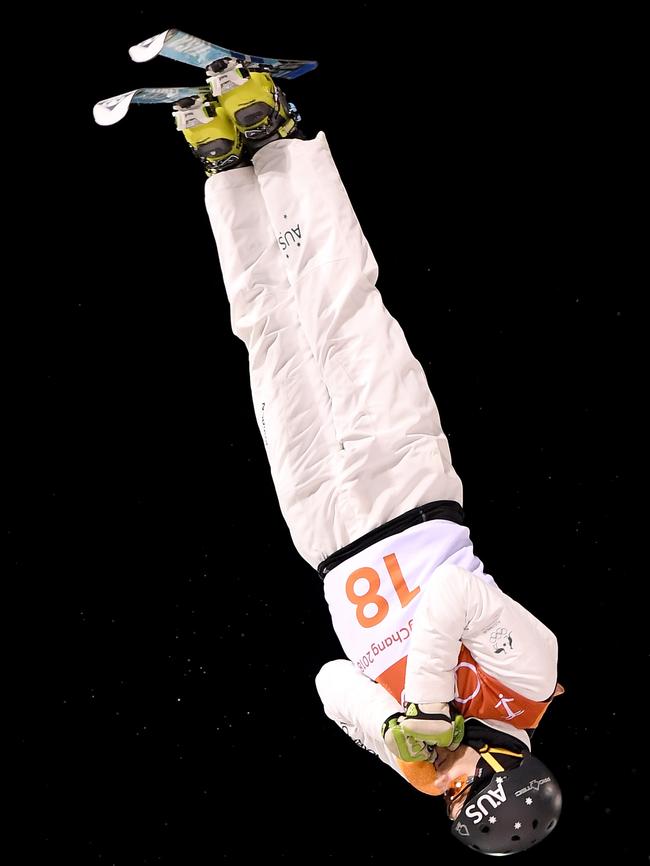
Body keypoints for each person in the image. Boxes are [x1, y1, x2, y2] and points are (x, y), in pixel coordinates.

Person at [171, 62, 563, 855]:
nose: (446, 783)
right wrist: (425, 708)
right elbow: (452, 590)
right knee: (338, 309)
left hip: (325, 532)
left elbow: (329, 681)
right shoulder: (529, 685)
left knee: (270, 338)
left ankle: (224, 170)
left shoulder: (424, 752)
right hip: (404, 489)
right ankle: (274, 133)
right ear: (502, 762)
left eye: (447, 803)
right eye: (464, 788)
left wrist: (396, 739)